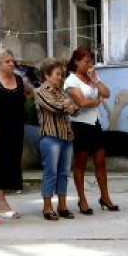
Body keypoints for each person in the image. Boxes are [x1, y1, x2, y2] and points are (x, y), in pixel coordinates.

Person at [64, 47, 119, 214]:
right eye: (86, 61)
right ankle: (82, 200)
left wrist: (95, 79)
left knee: (101, 162)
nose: (89, 64)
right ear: (76, 61)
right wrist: (96, 102)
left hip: (95, 123)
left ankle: (105, 197)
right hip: (79, 125)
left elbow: (107, 93)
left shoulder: (91, 77)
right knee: (80, 163)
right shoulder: (71, 80)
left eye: (91, 61)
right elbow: (80, 102)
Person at [0, 48, 34, 219]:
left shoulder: (20, 80)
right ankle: (2, 201)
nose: (11, 64)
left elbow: (31, 93)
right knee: (0, 162)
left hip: (16, 128)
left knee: (12, 161)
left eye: (12, 60)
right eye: (7, 61)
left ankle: (0, 203)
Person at [34, 58, 80, 220]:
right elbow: (55, 106)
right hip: (50, 137)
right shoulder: (40, 91)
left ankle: (62, 205)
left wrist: (68, 105)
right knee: (50, 173)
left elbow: (76, 110)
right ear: (47, 75)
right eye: (57, 74)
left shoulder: (62, 92)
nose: (60, 77)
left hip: (66, 137)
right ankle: (47, 207)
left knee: (64, 173)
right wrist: (67, 105)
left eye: (62, 74)